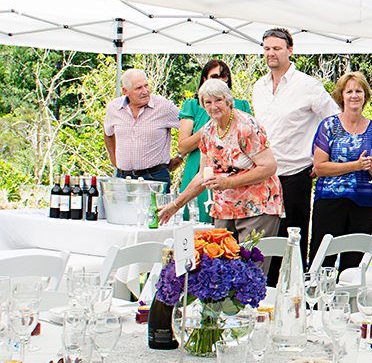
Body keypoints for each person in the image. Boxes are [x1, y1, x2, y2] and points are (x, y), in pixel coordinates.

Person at [251, 28, 339, 275]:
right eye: (267, 48)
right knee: (266, 241)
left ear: (290, 50)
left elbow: (334, 122)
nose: (271, 53)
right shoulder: (259, 86)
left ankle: (295, 294)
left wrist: (323, 158)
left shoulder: (308, 85)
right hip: (264, 177)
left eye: (277, 48)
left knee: (293, 239)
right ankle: (267, 295)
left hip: (295, 175)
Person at [157, 79, 282, 241]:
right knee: (220, 263)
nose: (213, 106)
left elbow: (269, 167)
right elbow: (202, 175)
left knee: (250, 264)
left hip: (256, 208)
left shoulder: (246, 126)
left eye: (218, 100)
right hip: (224, 209)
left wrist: (229, 183)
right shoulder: (208, 130)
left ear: (229, 101)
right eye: (208, 102)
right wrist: (174, 206)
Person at [309, 71, 372, 267]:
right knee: (322, 261)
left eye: (359, 91)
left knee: (354, 264)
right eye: (349, 91)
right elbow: (319, 167)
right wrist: (356, 165)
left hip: (363, 204)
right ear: (341, 96)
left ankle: (350, 298)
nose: (354, 95)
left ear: (365, 96)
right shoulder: (329, 125)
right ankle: (317, 298)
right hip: (330, 201)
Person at [176, 60, 251, 223]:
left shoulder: (241, 106)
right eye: (214, 76)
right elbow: (183, 146)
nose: (220, 81)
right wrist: (208, 129)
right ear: (204, 79)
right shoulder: (193, 105)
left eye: (224, 77)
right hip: (199, 168)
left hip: (233, 173)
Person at [103, 68, 180, 184]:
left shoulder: (163, 106)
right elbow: (108, 133)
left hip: (155, 176)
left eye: (146, 86)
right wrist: (114, 160)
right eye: (138, 88)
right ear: (125, 91)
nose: (145, 91)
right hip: (123, 177)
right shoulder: (114, 107)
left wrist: (180, 157)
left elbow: (190, 127)